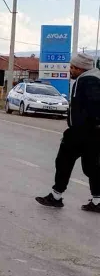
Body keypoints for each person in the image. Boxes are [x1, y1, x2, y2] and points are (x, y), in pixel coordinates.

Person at [36, 52, 100, 212]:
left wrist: (80, 127)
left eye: (73, 67)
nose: (70, 70)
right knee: (92, 166)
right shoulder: (94, 78)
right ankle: (98, 201)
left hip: (82, 132)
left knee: (63, 161)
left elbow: (93, 107)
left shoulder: (86, 80)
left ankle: (56, 197)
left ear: (80, 68)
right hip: (92, 132)